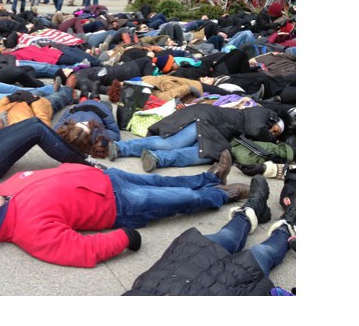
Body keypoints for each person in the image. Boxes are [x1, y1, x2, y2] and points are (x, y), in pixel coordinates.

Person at [0, 160, 250, 268]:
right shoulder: (28, 232)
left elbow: (52, 173)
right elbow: (81, 250)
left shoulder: (2, 192)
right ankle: (219, 196)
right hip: (120, 205)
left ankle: (209, 178)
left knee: (166, 181)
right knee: (179, 199)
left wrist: (86, 167)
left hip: (107, 178)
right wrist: (123, 238)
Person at [123, 176, 296, 296]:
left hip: (158, 286)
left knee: (224, 237)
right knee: (261, 253)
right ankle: (287, 227)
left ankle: (251, 212)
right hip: (218, 292)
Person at [107, 104, 285, 172]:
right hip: (205, 119)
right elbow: (255, 129)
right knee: (172, 143)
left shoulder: (253, 115)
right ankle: (121, 147)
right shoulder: (260, 112)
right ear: (274, 120)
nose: (272, 133)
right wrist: (272, 139)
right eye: (275, 130)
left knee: (206, 153)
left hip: (211, 126)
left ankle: (156, 158)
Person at [0, 85, 75, 134]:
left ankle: (52, 87)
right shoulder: (19, 130)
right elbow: (44, 126)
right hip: (40, 105)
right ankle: (69, 89)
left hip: (20, 99)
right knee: (60, 97)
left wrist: (9, 98)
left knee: (36, 90)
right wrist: (34, 101)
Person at [54, 97, 121, 159]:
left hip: (81, 105)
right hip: (102, 107)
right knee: (107, 104)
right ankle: (94, 98)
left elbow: (62, 119)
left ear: (72, 127)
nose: (85, 122)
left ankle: (86, 97)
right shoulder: (97, 135)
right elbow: (115, 133)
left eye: (82, 123)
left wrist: (70, 110)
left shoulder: (65, 129)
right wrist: (105, 115)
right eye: (87, 126)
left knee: (85, 98)